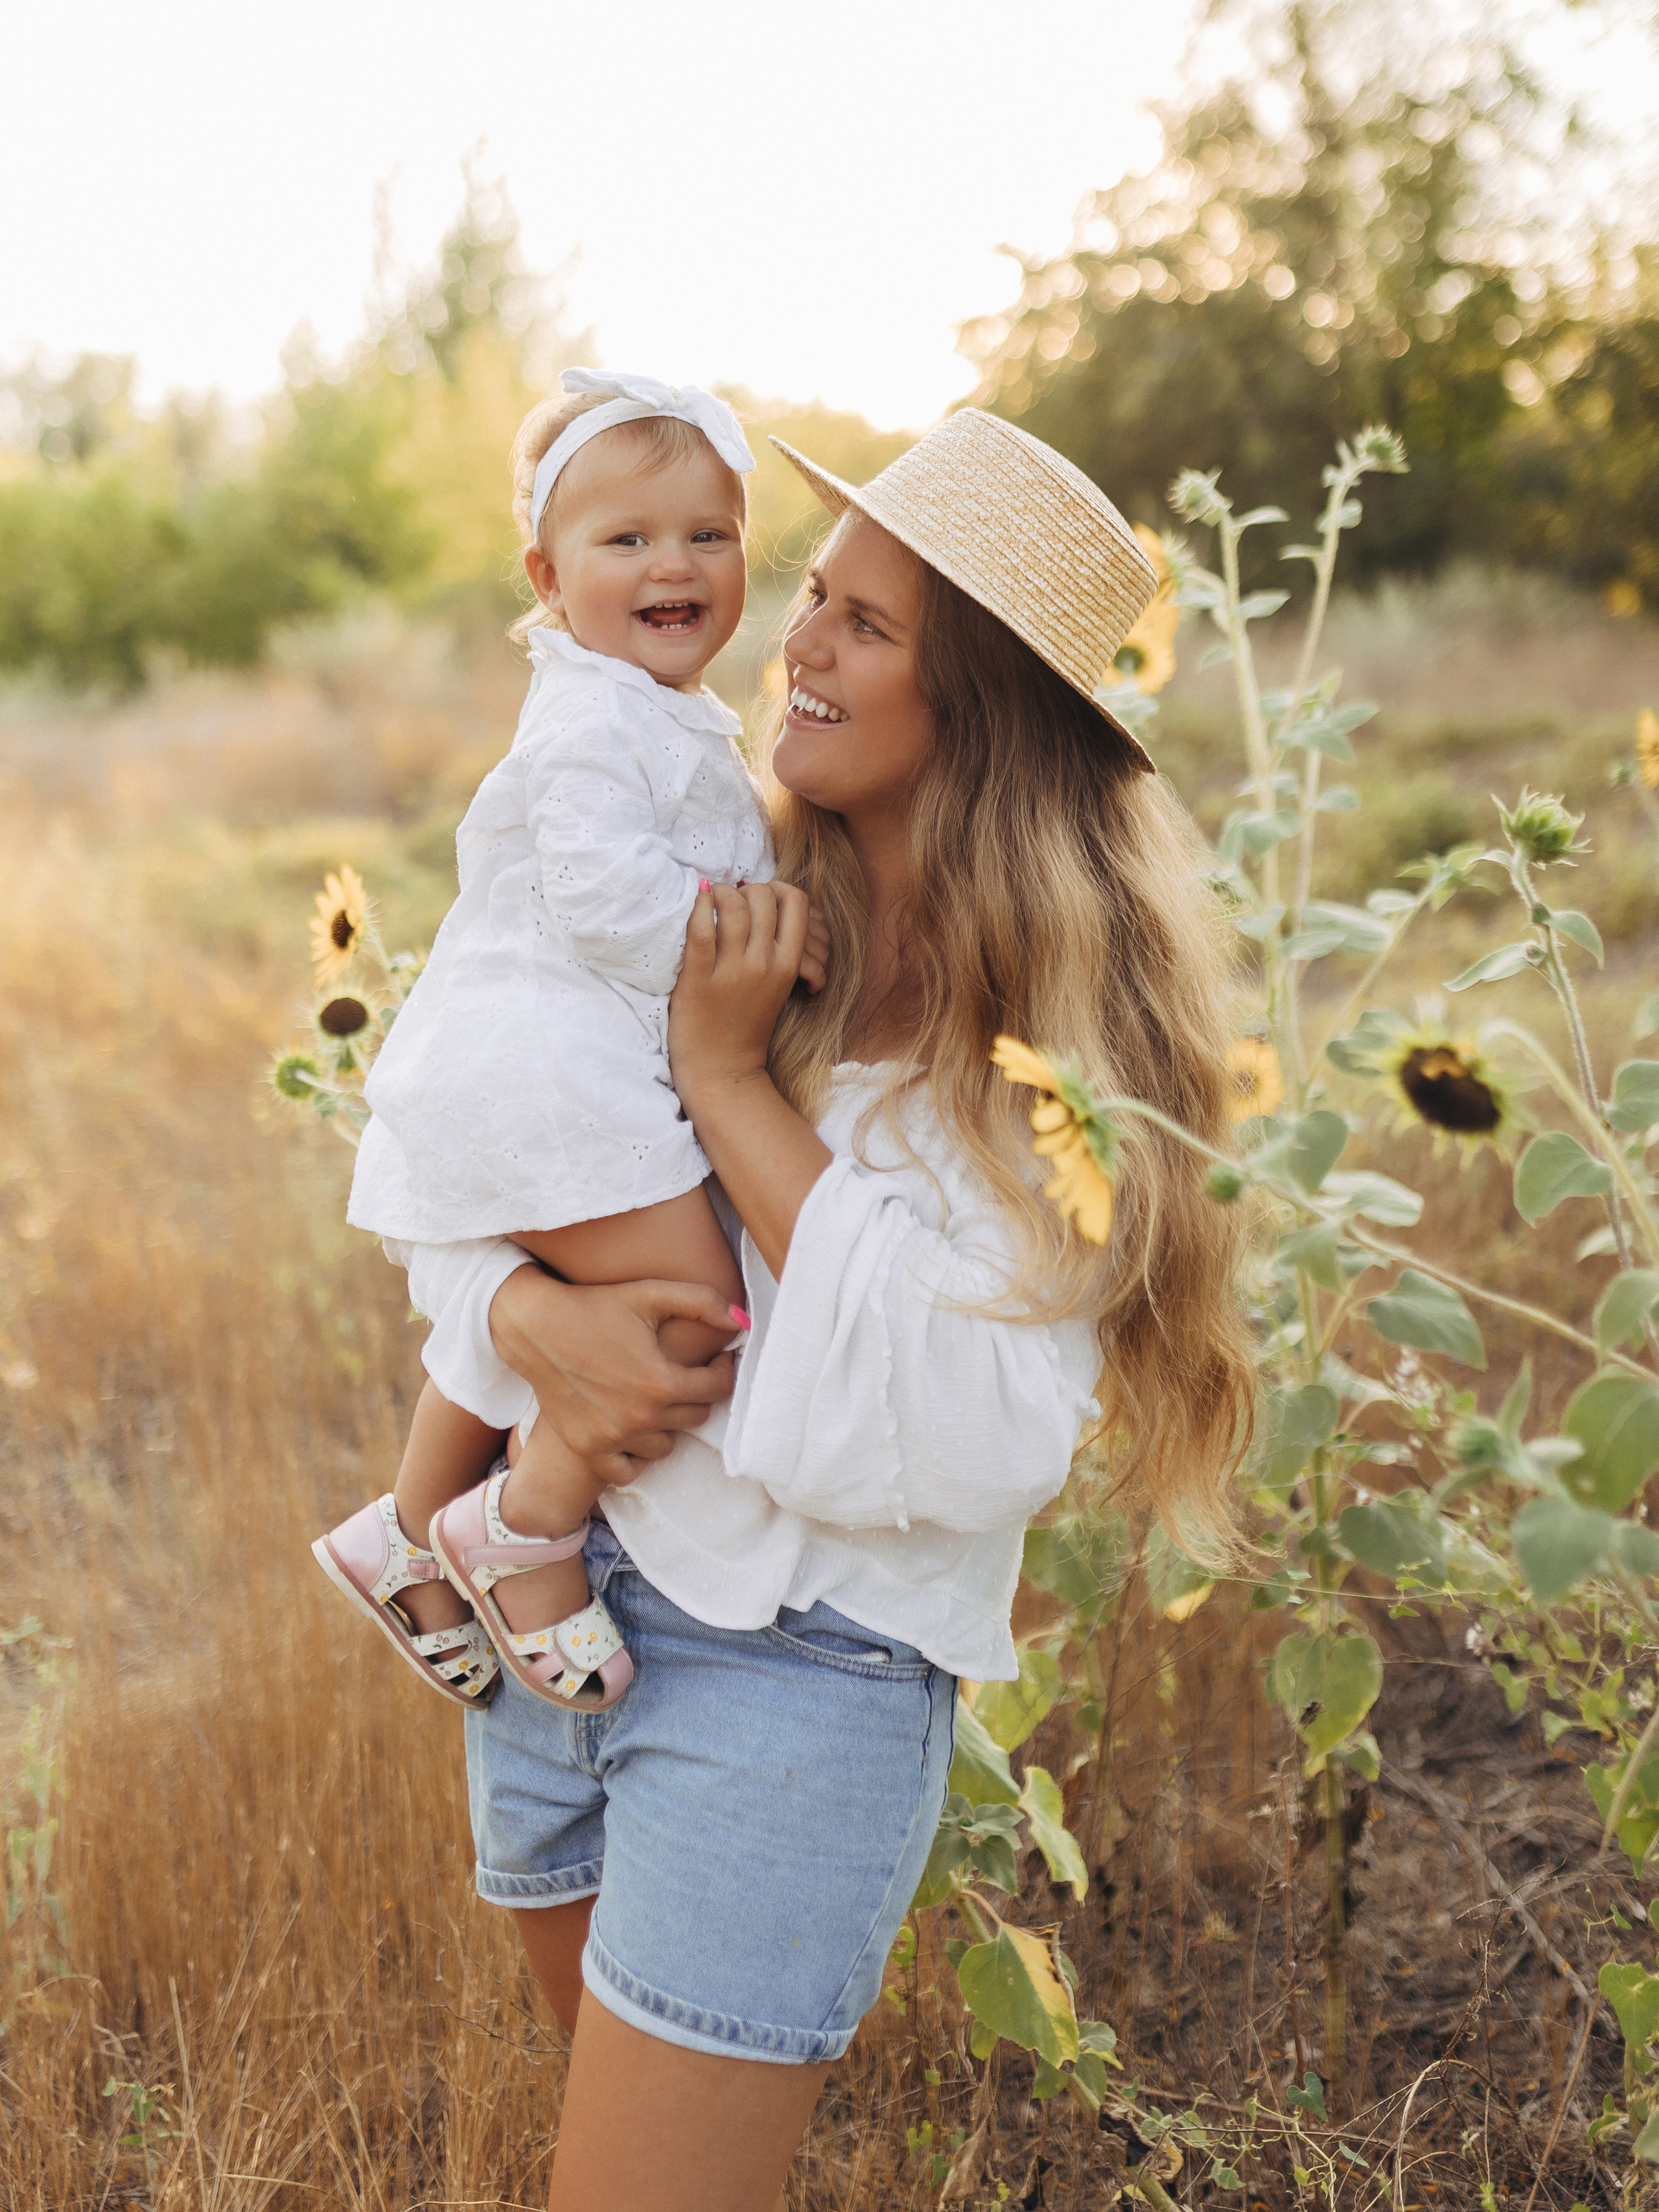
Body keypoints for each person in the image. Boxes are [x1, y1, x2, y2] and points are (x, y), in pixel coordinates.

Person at [388, 406, 1255, 2212]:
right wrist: (519, 1321)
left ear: (984, 711)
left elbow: (963, 1435)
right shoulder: (736, 908)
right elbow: (484, 1126)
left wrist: (729, 1089)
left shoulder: (1064, 1061)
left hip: (799, 1669)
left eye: (866, 625)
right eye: (818, 595)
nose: (799, 638)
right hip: (563, 1617)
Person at [312, 370, 825, 1710]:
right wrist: (755, 944)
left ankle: (408, 1529)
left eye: (707, 535)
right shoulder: (594, 715)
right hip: (553, 1081)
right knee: (692, 1317)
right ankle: (524, 1527)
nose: (675, 565)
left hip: (550, 1070)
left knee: (574, 1309)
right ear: (548, 576)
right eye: (627, 540)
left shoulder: (658, 710)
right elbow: (605, 901)